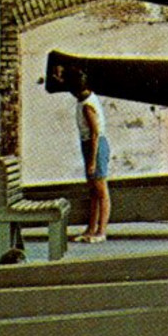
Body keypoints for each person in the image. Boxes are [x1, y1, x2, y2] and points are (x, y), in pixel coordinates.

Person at [65, 68, 110, 243]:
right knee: (93, 192)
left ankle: (101, 231)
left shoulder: (87, 106)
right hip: (89, 145)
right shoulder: (86, 97)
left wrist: (92, 161)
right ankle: (91, 229)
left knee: (101, 191)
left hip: (95, 146)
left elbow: (95, 134)